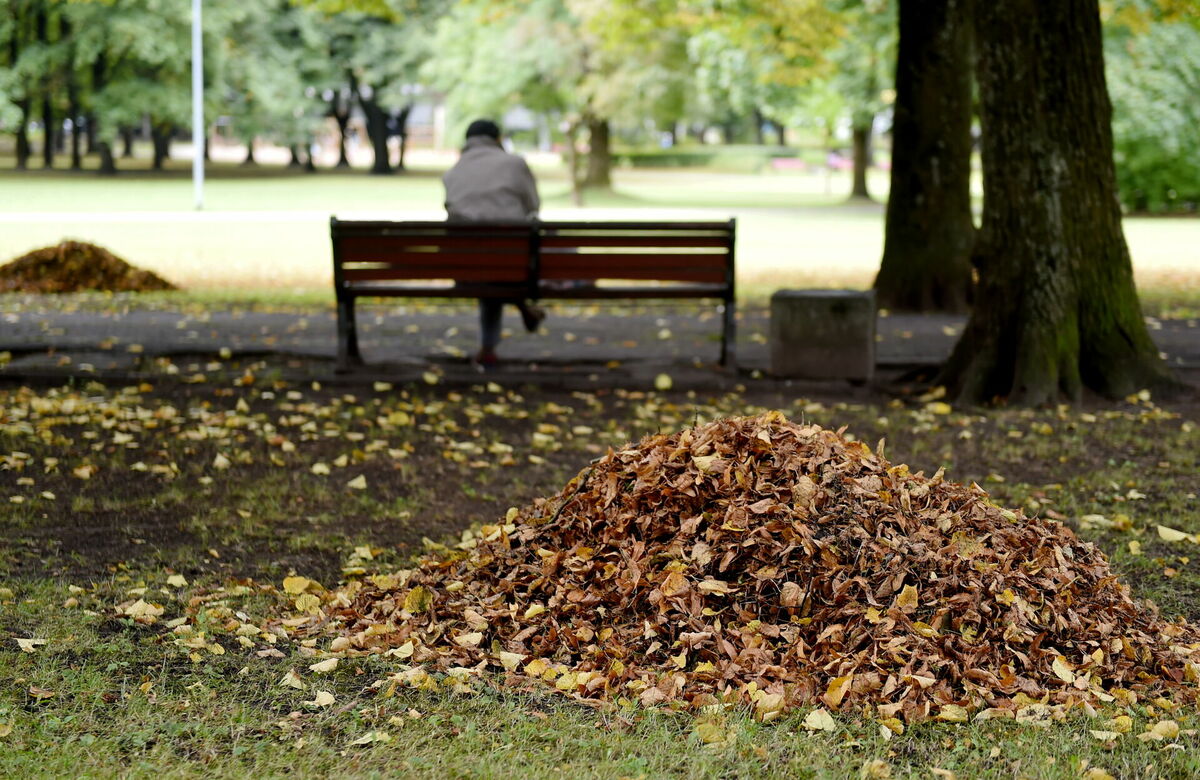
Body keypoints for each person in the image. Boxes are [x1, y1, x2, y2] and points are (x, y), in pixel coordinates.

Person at [443, 118, 544, 367]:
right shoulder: (515, 164)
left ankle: (489, 347)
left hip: (467, 267)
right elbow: (533, 206)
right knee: (502, 257)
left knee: (485, 261)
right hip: (513, 262)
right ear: (498, 139)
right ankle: (525, 309)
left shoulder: (453, 171)